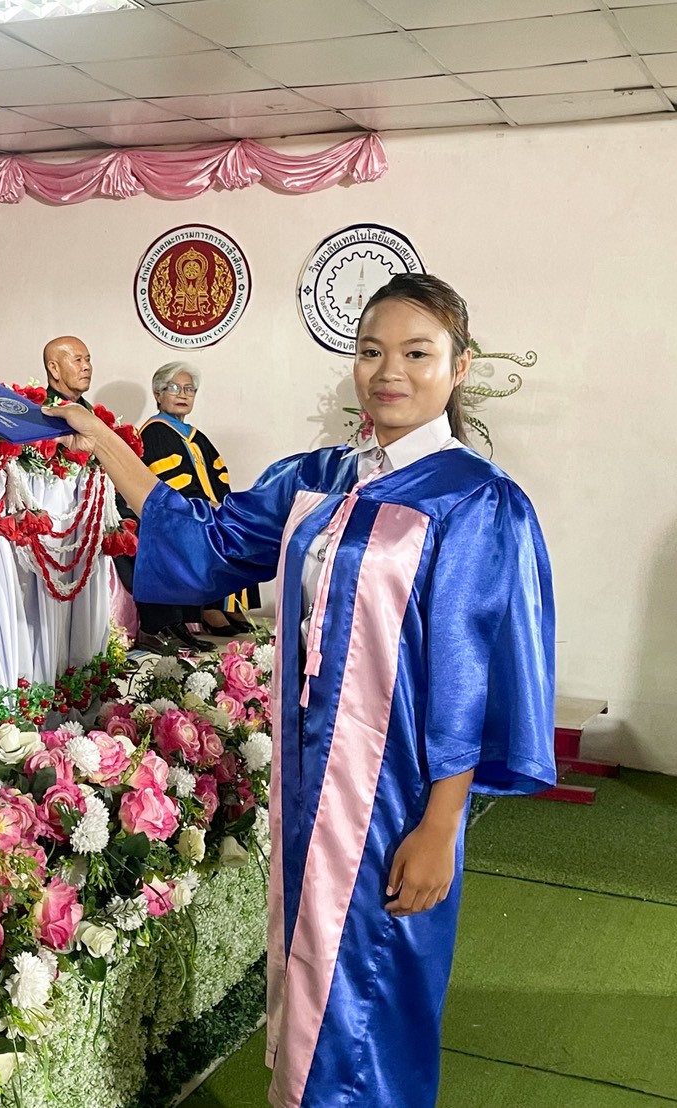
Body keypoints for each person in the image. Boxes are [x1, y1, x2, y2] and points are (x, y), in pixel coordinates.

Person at [48, 273, 556, 1108]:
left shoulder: (473, 500)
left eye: (416, 353)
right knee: (308, 972)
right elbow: (209, 542)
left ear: (458, 366)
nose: (388, 372)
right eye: (370, 351)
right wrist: (100, 439)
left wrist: (441, 826)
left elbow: (468, 677)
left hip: (391, 792)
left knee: (372, 992)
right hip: (306, 775)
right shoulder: (319, 477)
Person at [135, 360, 258, 644]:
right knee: (208, 534)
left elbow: (219, 474)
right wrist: (206, 507)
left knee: (241, 526)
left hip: (202, 511)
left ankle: (224, 606)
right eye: (174, 388)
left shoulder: (195, 435)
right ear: (157, 394)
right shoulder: (154, 432)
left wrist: (225, 505)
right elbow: (170, 481)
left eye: (189, 389)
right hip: (175, 515)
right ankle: (205, 610)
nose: (183, 394)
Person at [42, 335, 92, 406]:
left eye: (87, 360)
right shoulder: (40, 410)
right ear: (54, 368)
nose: (87, 366)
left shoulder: (89, 410)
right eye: (78, 360)